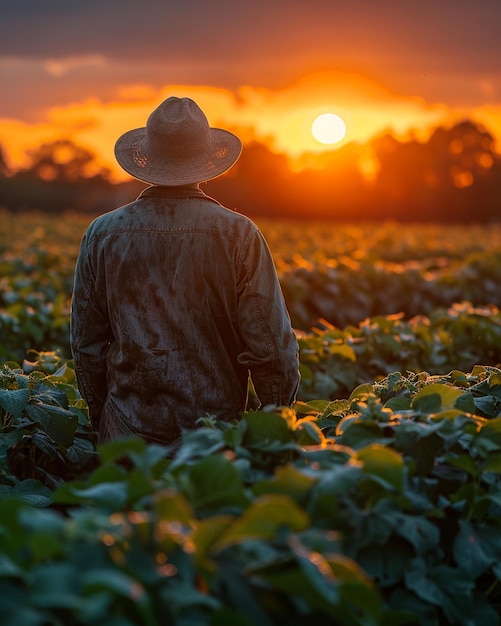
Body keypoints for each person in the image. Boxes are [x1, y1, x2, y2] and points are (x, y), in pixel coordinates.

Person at [70, 96, 300, 446]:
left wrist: (104, 420)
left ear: (148, 156)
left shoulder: (102, 233)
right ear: (205, 160)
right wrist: (271, 431)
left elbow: (86, 344)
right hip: (214, 439)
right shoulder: (239, 235)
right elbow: (272, 350)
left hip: (126, 438)